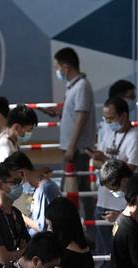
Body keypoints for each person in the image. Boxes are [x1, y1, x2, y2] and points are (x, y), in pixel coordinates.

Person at [91, 96, 138, 263]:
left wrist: (105, 159)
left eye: (111, 118)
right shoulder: (106, 131)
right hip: (103, 201)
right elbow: (97, 162)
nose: (107, 122)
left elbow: (129, 171)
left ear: (123, 116)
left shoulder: (135, 137)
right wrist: (103, 161)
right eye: (105, 118)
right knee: (102, 253)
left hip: (123, 204)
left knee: (124, 254)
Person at [51, 47, 95, 200]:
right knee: (73, 187)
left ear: (66, 67)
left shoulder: (82, 86)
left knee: (78, 189)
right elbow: (73, 114)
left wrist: (71, 146)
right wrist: (58, 113)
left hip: (77, 150)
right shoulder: (73, 86)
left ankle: (87, 221)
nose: (57, 71)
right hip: (73, 149)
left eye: (57, 67)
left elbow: (81, 117)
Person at [0, 104, 37, 211]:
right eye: (28, 130)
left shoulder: (11, 140)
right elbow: (1, 182)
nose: (29, 133)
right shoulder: (4, 149)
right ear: (17, 127)